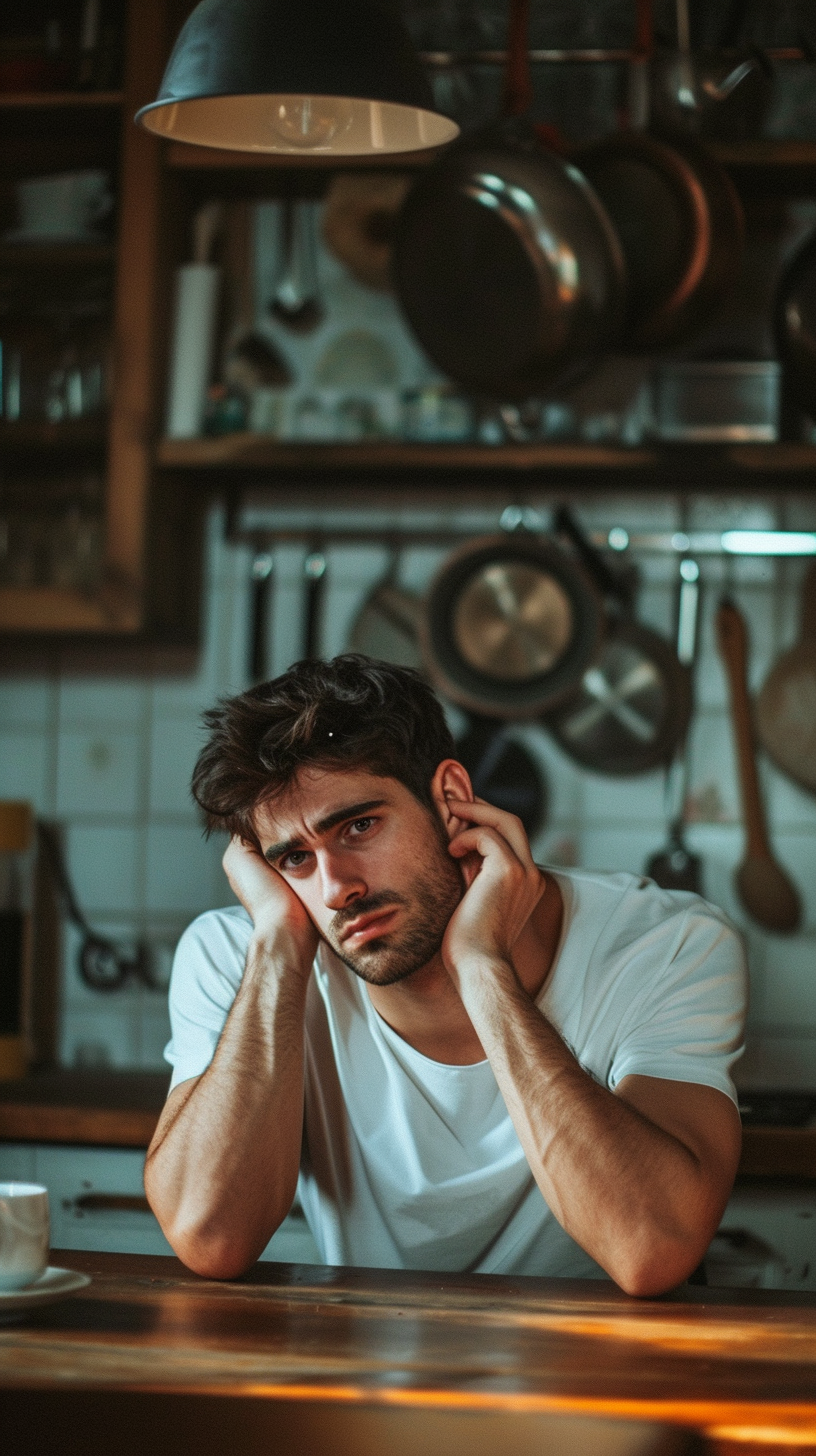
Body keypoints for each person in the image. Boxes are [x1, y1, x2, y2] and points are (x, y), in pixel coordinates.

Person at [145, 655, 746, 1295]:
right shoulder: (246, 953)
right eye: (295, 857)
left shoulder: (667, 944)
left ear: (451, 797)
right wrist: (277, 947)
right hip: (369, 1377)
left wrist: (483, 968)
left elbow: (652, 1249)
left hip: (602, 1377)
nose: (336, 888)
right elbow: (212, 1237)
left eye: (359, 826)